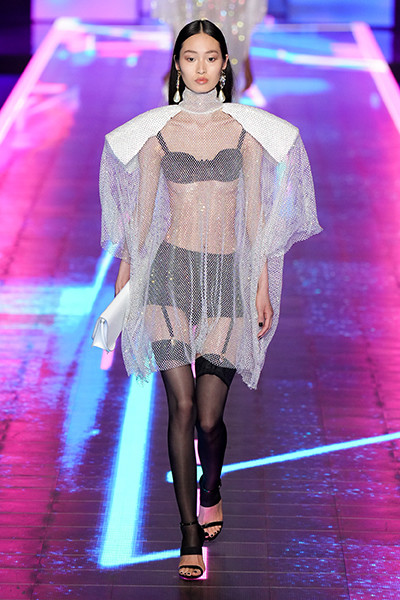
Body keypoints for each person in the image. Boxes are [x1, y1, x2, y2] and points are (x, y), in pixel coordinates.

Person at [99, 19, 322, 580]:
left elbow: (256, 221)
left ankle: (212, 485)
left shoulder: (247, 134)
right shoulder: (158, 132)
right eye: (190, 57)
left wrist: (262, 286)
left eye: (211, 57)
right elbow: (141, 212)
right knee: (178, 406)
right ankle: (188, 533)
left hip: (227, 280)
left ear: (225, 64)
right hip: (169, 276)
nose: (201, 67)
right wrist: (127, 273)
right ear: (177, 64)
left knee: (207, 417)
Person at [151, 0, 268, 93]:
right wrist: (174, 63)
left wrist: (246, 63)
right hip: (195, 45)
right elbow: (179, 16)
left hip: (230, 47)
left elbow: (244, 20)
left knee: (224, 98)